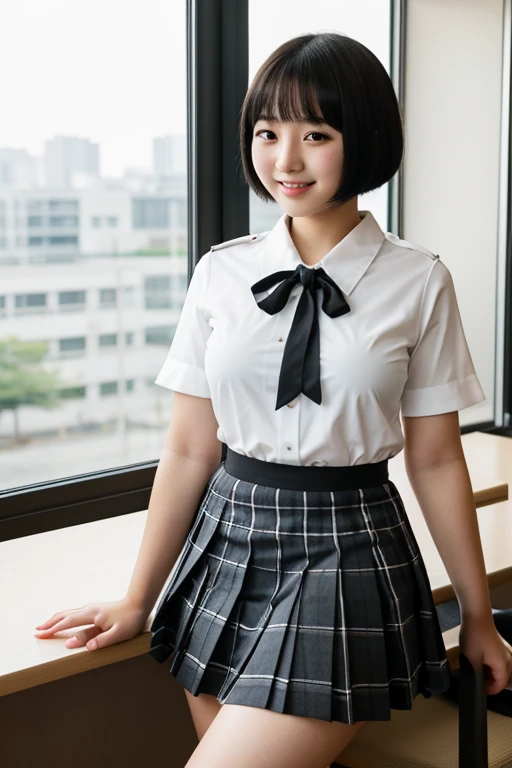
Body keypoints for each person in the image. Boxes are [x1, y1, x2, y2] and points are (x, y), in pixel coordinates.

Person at [34, 31, 512, 768]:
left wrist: (478, 618)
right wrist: (137, 598)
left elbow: (438, 460)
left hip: (347, 550)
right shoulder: (221, 273)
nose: (285, 160)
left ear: (367, 138)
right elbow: (191, 447)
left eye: (316, 134)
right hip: (225, 543)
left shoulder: (419, 282)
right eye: (268, 133)